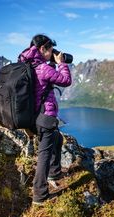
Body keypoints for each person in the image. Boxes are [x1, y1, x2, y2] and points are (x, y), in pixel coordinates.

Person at [19, 34, 72, 205]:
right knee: (44, 154)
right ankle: (40, 195)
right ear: (42, 49)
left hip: (33, 117)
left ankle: (54, 173)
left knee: (57, 138)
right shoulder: (42, 68)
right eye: (50, 50)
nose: (52, 53)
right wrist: (61, 63)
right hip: (45, 117)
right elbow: (66, 80)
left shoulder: (28, 65)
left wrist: (52, 63)